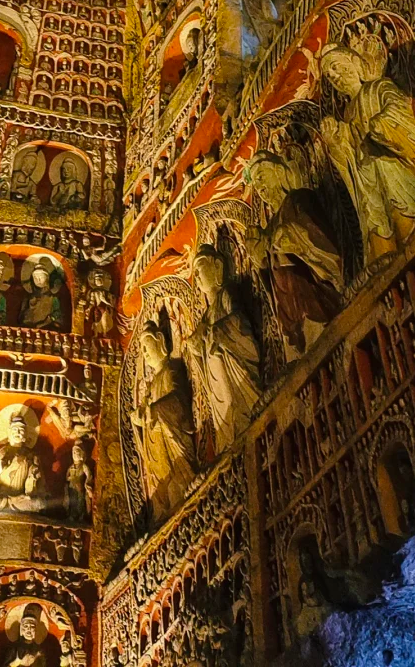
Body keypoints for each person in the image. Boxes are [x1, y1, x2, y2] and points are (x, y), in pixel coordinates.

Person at [320, 38, 415, 266]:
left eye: (336, 67)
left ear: (355, 62)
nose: (334, 76)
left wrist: (381, 125)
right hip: (369, 182)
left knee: (395, 198)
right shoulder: (348, 113)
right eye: (329, 75)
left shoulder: (378, 87)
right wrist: (335, 141)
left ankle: (411, 233)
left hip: (392, 168)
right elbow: (349, 157)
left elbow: (397, 109)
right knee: (376, 218)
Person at [244, 151, 345, 360]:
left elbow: (320, 239)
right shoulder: (269, 227)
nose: (260, 187)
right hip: (290, 310)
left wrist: (291, 236)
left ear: (279, 173)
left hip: (312, 292)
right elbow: (270, 281)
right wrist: (260, 259)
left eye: (261, 176)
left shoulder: (297, 199)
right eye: (256, 184)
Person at [185, 245, 262, 455]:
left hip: (232, 371)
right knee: (226, 423)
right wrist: (195, 346)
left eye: (200, 268)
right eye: (195, 273)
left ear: (217, 267)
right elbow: (199, 346)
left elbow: (240, 321)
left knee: (239, 413)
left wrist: (216, 332)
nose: (197, 277)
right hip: (216, 382)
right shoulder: (205, 317)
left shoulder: (226, 294)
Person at [131, 321, 197, 523]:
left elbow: (178, 401)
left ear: (160, 341)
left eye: (146, 346)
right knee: (162, 496)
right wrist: (139, 416)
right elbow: (146, 413)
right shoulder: (152, 384)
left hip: (172, 448)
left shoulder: (170, 371)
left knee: (178, 491)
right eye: (142, 349)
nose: (144, 353)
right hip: (158, 454)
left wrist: (153, 410)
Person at [0, 408, 46, 511]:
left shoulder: (32, 456)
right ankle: (9, 503)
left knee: (40, 503)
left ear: (26, 434)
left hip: (20, 500)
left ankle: (11, 503)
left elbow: (40, 489)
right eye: (14, 429)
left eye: (21, 430)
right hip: (0, 497)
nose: (17, 432)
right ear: (9, 433)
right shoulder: (1, 453)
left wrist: (33, 480)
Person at [21, 259, 63, 330]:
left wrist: (49, 320)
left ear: (47, 278)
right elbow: (22, 318)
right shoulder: (28, 298)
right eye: (35, 278)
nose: (38, 280)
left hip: (47, 328)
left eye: (41, 277)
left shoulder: (52, 298)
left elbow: (58, 313)